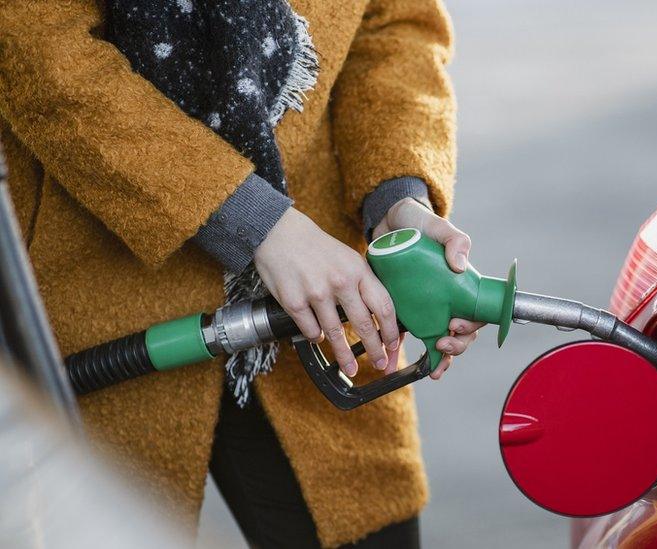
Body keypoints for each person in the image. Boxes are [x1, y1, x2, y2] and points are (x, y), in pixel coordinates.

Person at [0, 0, 478, 547]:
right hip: (100, 275)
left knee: (370, 531)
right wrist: (256, 223)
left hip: (320, 287)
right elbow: (38, 51)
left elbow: (393, 24)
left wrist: (399, 195)